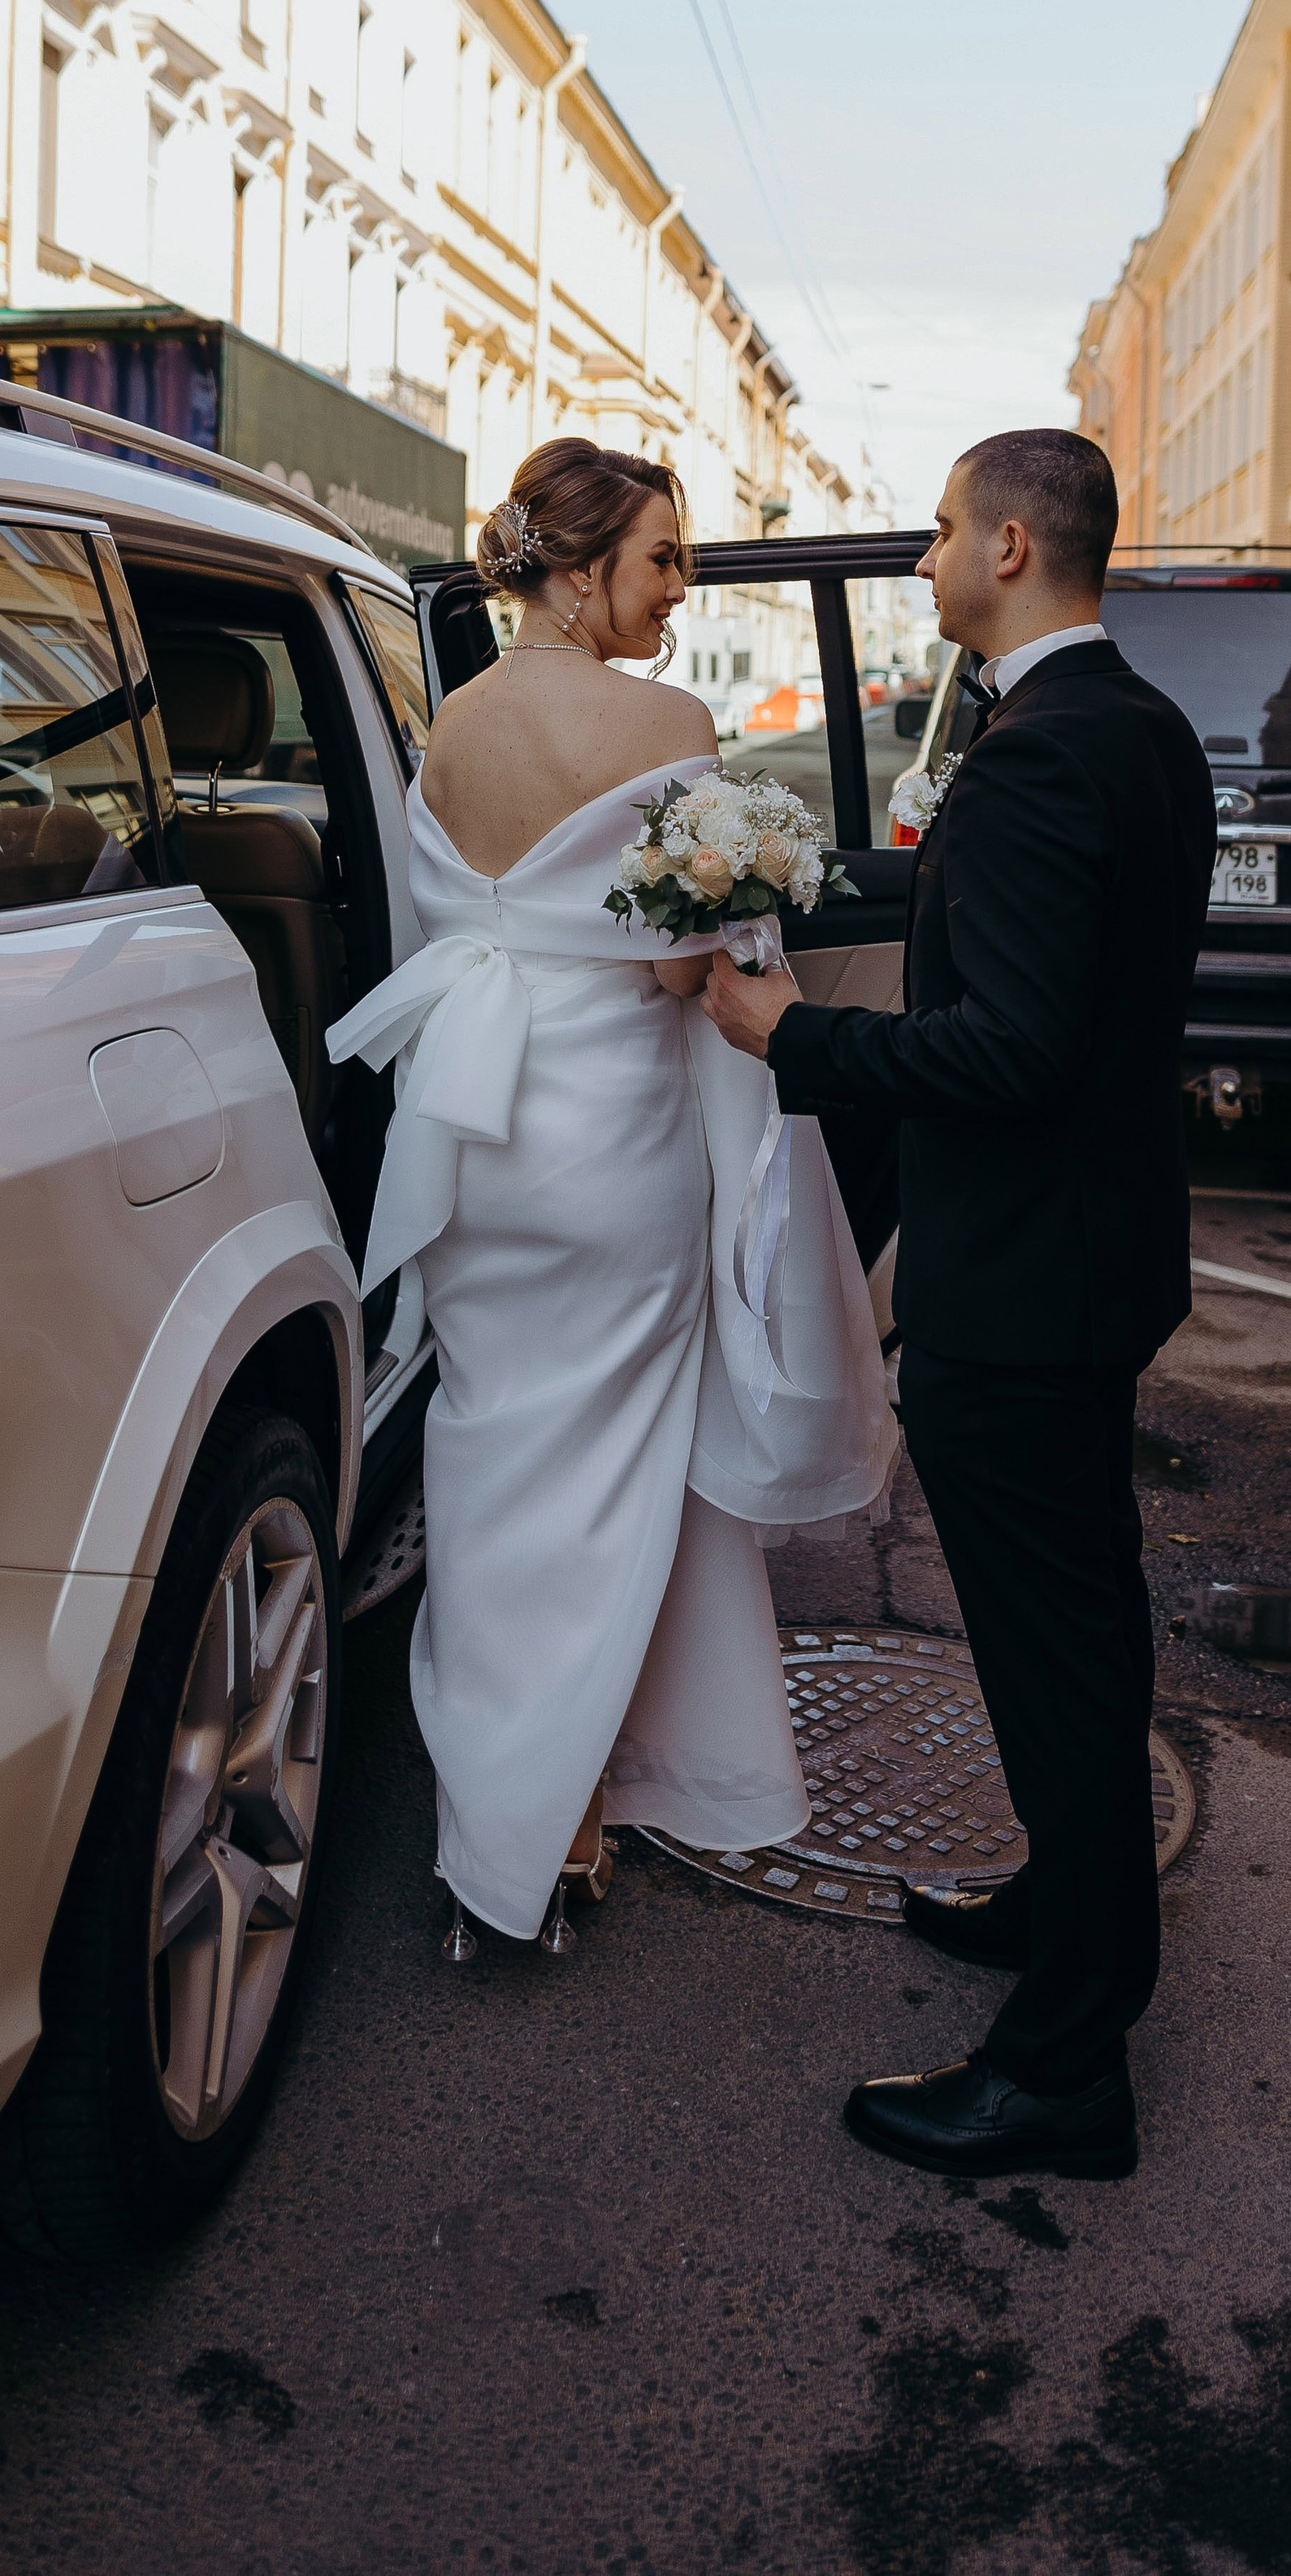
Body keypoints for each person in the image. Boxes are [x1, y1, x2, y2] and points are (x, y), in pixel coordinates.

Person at [705, 429, 1214, 2179]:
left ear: (1007, 543)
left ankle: (1067, 2070)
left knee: (1052, 1648)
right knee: (1072, 1625)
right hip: (1098, 1253)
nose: (920, 566)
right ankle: (1061, 1908)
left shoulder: (1039, 759)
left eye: (933, 536)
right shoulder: (1132, 726)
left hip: (1023, 1289)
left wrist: (792, 1038)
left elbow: (1007, 1052)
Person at [327, 439, 892, 1952]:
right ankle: (563, 1820)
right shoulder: (668, 720)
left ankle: (502, 1820)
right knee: (622, 1473)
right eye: (662, 561)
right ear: (579, 573)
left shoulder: (448, 725)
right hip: (612, 1142)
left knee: (493, 1459)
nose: (677, 588)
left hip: (473, 1135)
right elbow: (669, 969)